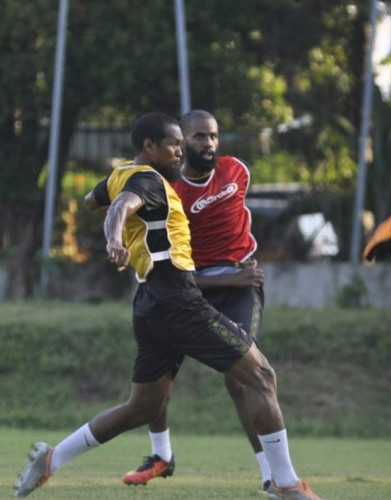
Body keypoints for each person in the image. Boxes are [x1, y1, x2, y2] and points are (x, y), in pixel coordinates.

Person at [14, 112, 322, 500]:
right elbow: (119, 208)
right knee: (261, 377)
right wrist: (115, 239)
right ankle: (284, 483)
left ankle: (51, 460)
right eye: (175, 144)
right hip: (179, 300)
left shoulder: (122, 173)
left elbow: (96, 199)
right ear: (149, 148)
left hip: (148, 304)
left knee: (140, 408)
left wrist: (122, 218)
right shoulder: (150, 180)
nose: (181, 152)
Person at [119, 109, 270, 492]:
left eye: (214, 135)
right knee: (158, 378)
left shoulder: (237, 171)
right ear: (179, 143)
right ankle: (162, 455)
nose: (209, 143)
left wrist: (237, 273)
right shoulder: (167, 192)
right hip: (187, 289)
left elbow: (236, 231)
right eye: (199, 136)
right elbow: (170, 266)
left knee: (245, 379)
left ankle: (273, 475)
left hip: (240, 287)